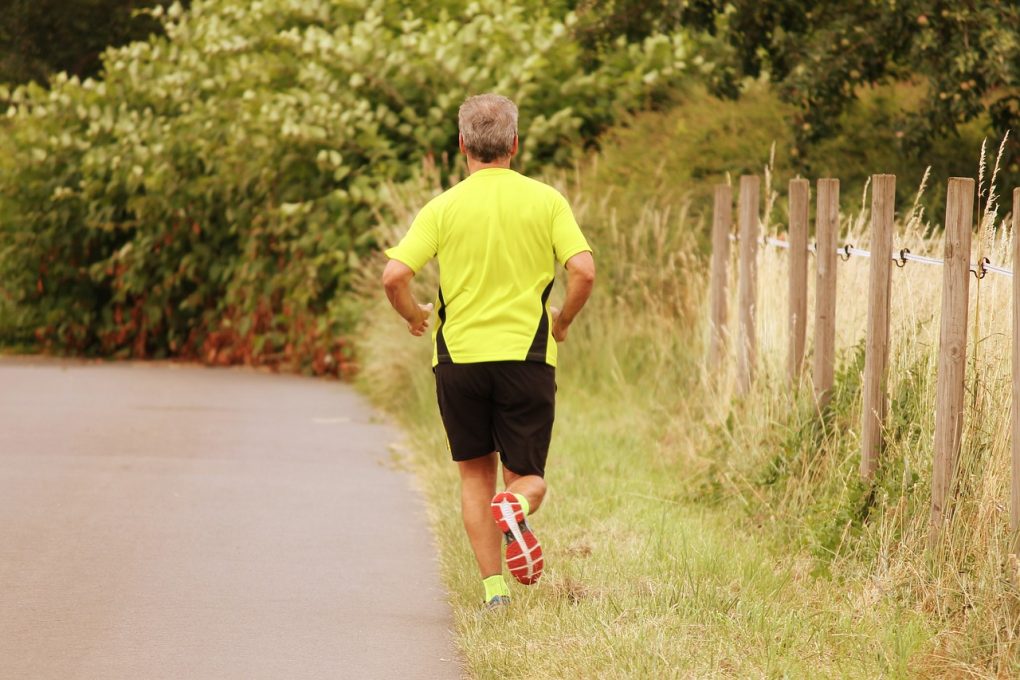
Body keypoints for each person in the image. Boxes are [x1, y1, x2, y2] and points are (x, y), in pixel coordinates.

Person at [381, 93, 595, 611]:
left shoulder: (443, 206)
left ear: (462, 146)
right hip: (526, 357)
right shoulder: (546, 201)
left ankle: (495, 594)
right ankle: (515, 504)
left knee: (474, 475)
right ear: (514, 144)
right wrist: (562, 321)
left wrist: (414, 316)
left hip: (457, 361)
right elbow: (583, 270)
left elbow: (394, 276)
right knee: (528, 478)